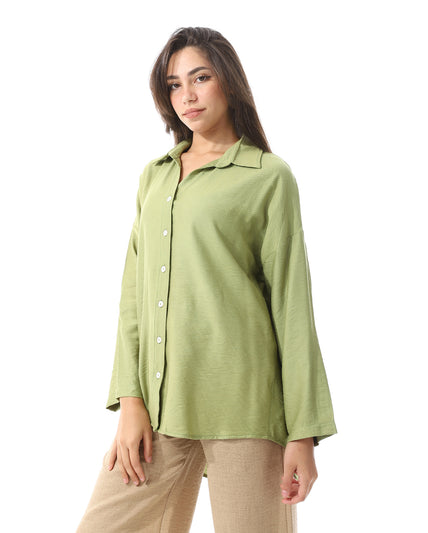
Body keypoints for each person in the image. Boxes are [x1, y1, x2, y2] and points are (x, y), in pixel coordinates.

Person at [75, 26, 337, 533]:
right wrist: (130, 402)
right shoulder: (155, 176)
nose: (187, 96)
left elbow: (292, 307)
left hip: (246, 408)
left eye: (200, 78)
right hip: (158, 408)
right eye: (174, 85)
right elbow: (134, 296)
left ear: (229, 82)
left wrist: (303, 433)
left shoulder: (267, 176)